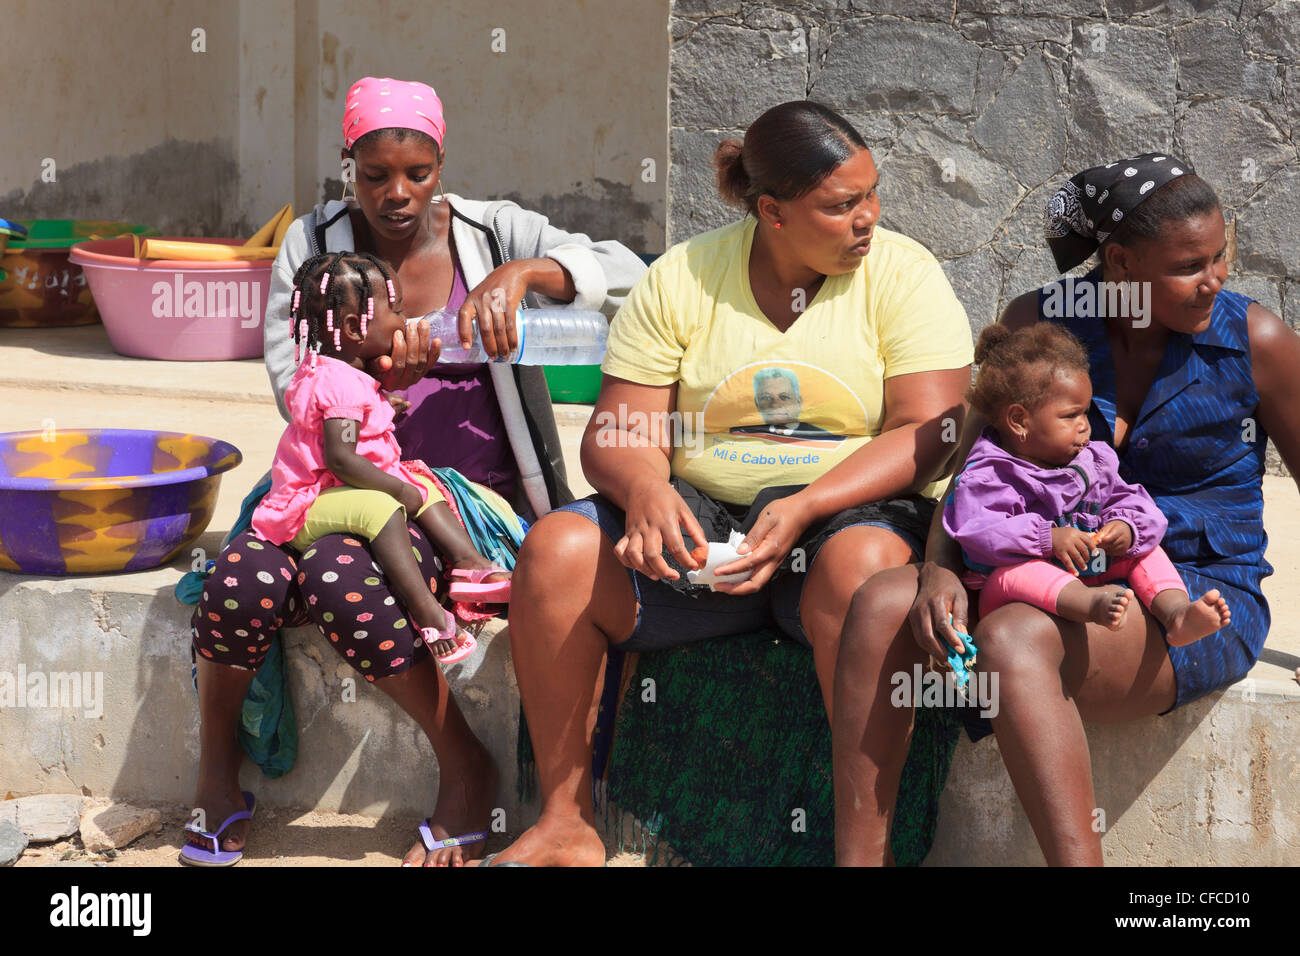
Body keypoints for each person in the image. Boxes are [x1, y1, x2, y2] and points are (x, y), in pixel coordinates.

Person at [482, 100, 974, 866]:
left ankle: (861, 858)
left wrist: (809, 504)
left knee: (861, 573)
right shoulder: (684, 276)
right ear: (772, 211)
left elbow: (934, 434)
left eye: (872, 195)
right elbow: (618, 432)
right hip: (705, 529)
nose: (867, 218)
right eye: (842, 204)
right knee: (558, 549)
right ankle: (565, 823)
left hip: (850, 513)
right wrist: (647, 492)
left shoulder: (904, 275)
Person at [184, 76, 646, 867]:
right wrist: (380, 383)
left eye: (417, 174)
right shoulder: (314, 243)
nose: (396, 194)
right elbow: (291, 379)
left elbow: (628, 269)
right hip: (341, 479)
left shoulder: (494, 232)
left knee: (335, 569)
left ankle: (462, 764)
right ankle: (215, 778)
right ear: (347, 167)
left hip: (466, 498)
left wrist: (527, 277)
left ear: (441, 165)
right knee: (239, 579)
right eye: (375, 176)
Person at [832, 154, 1300, 866]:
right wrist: (938, 568)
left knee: (1016, 637)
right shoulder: (1040, 327)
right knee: (880, 603)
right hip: (1030, 558)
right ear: (1118, 261)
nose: (1216, 279)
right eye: (1189, 265)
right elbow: (974, 474)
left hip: (1191, 593)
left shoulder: (1254, 341)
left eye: (1219, 257)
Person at [248, 251, 512, 663]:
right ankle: (428, 612)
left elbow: (344, 417)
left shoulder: (337, 373)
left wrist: (384, 405)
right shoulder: (342, 385)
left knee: (423, 482)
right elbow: (341, 457)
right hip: (308, 501)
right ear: (355, 327)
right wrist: (396, 489)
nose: (404, 320)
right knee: (383, 507)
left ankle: (468, 564)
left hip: (331, 489)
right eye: (397, 310)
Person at [945, 321, 1231, 643]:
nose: (1084, 426)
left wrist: (1126, 527)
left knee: (1145, 551)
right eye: (1070, 416)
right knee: (1016, 573)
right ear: (1019, 420)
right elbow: (978, 532)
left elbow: (1134, 501)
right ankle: (1092, 604)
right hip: (1008, 590)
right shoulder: (989, 474)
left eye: (1086, 412)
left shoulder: (1092, 461)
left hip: (1085, 568)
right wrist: (1047, 539)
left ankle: (1177, 613)